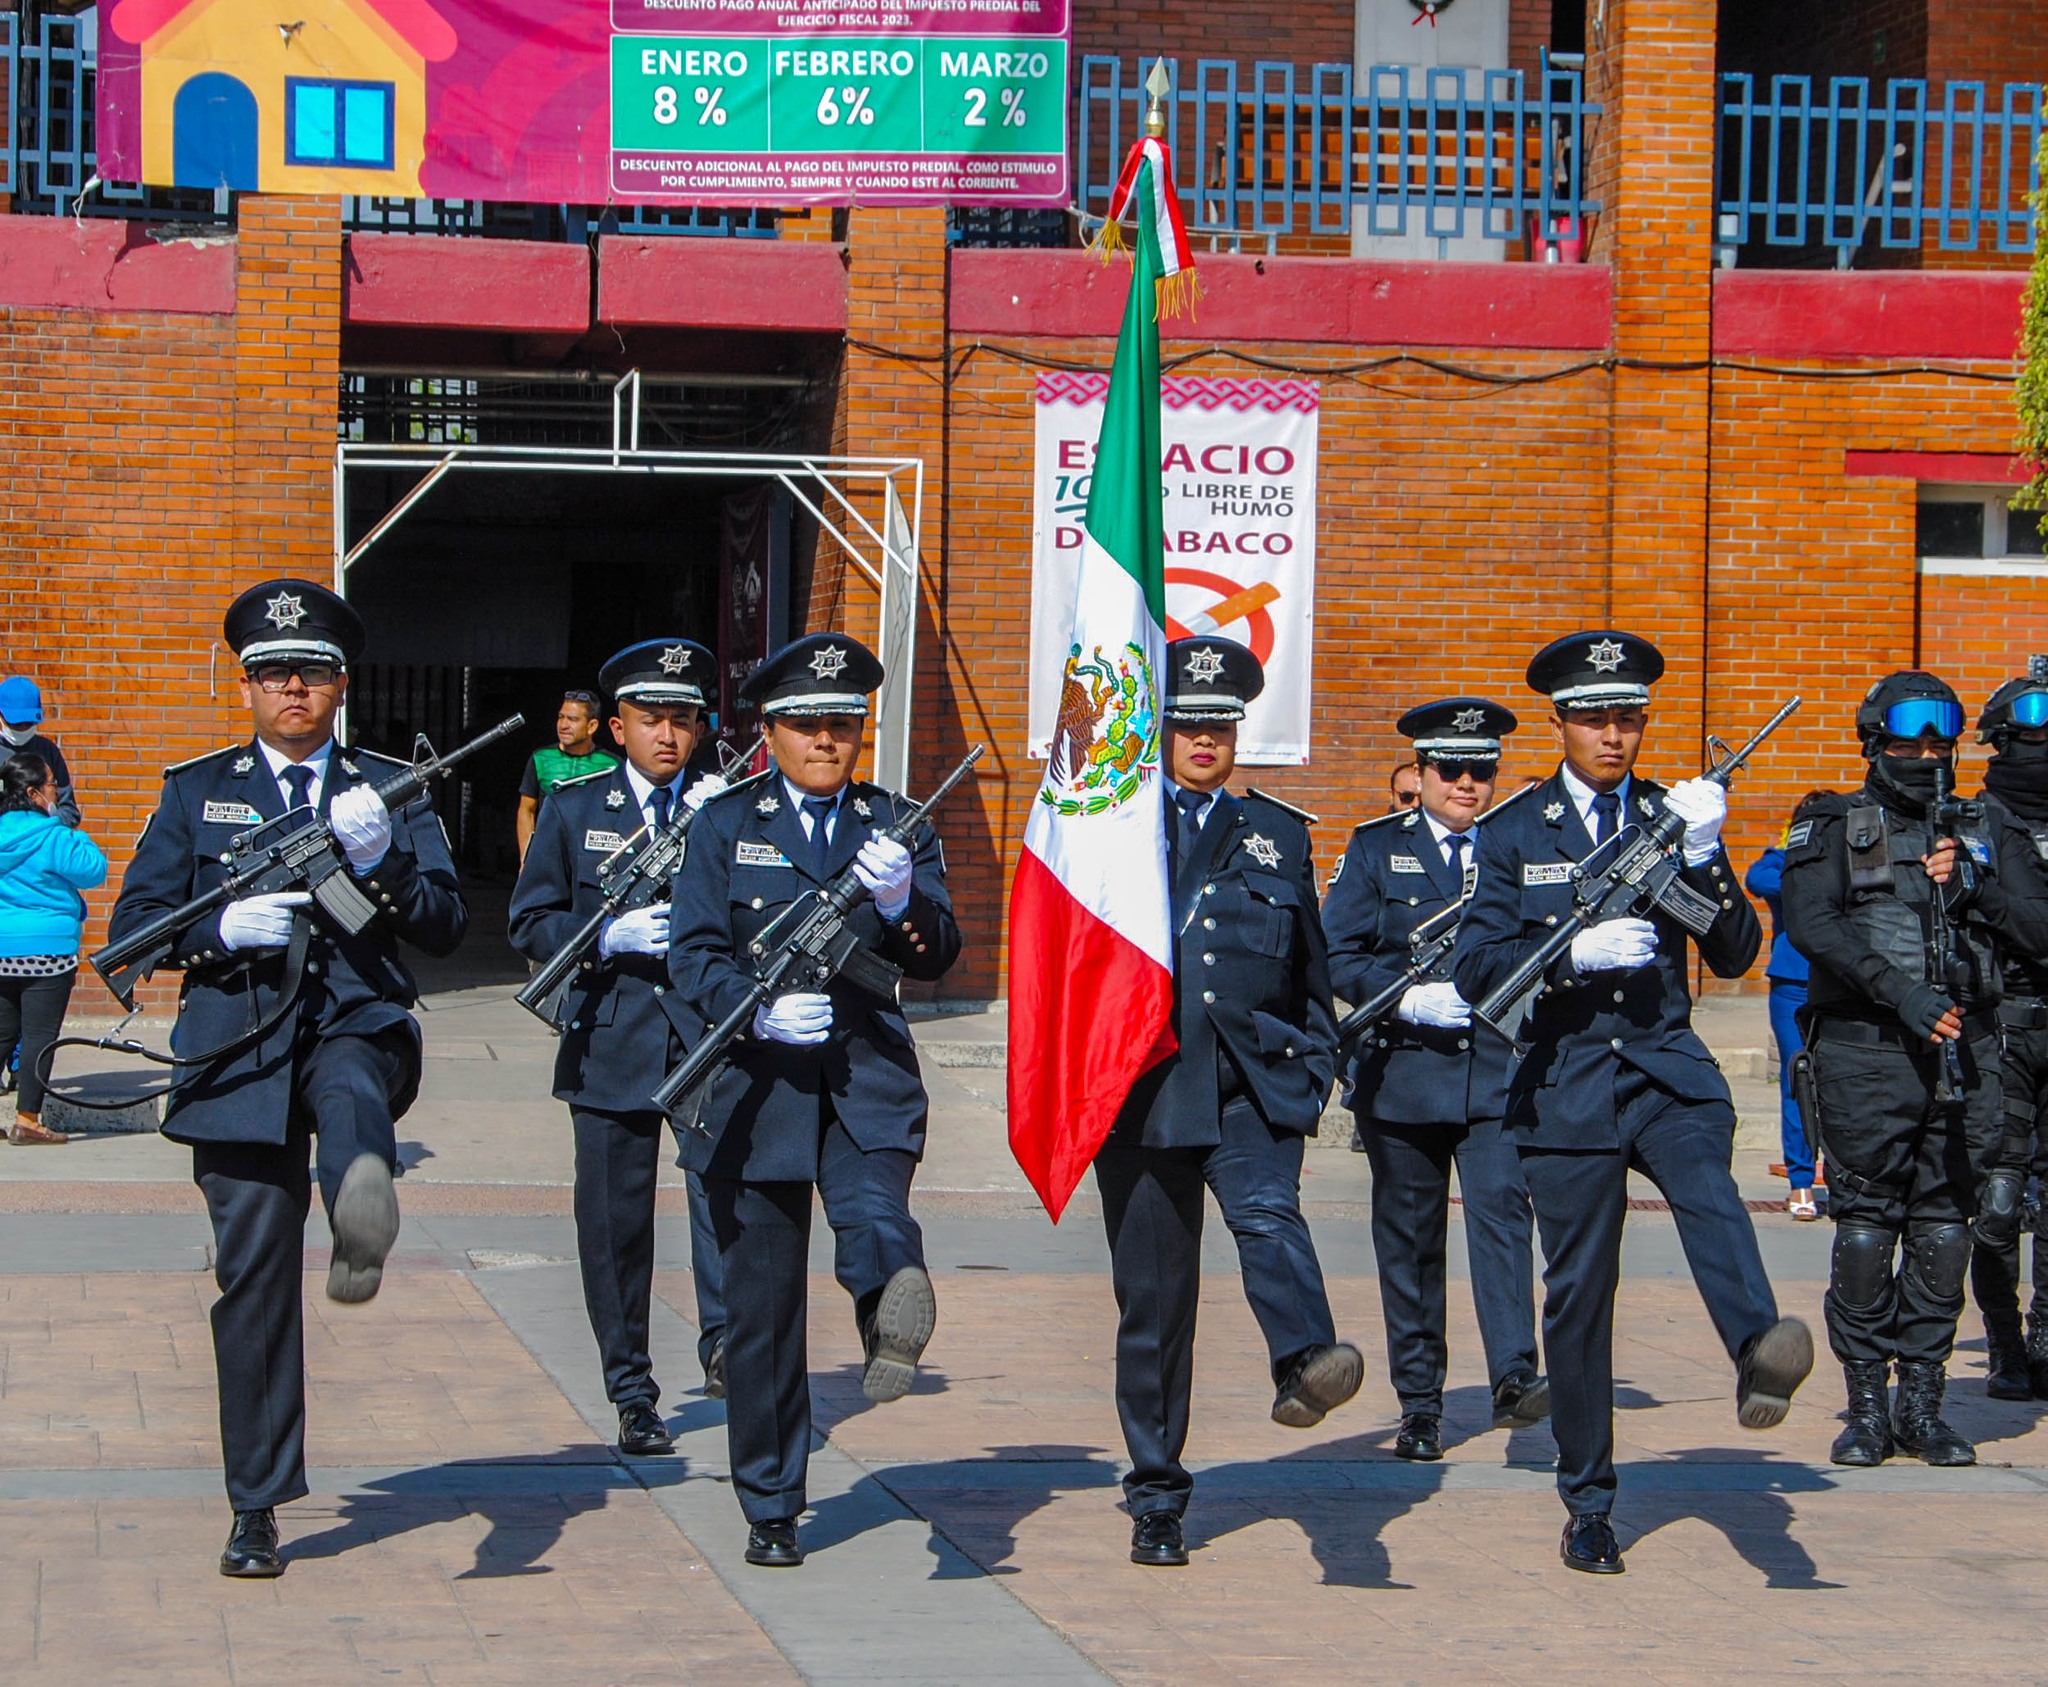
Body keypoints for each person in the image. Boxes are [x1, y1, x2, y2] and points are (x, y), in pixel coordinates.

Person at [106, 577, 468, 1578]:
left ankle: (362, 1196)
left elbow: (443, 925)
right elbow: (132, 930)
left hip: (352, 1019)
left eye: (311, 672)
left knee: (352, 1086)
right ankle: (255, 1501)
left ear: (342, 683)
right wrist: (216, 929)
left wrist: (384, 857)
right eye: (273, 673)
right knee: (252, 1277)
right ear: (248, 686)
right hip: (237, 1049)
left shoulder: (388, 785)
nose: (293, 688)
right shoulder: (195, 789)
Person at [1451, 630, 1812, 1576]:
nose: (1614, 735)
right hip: (1566, 1083)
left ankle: (1757, 1346)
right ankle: (1590, 1497)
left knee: (1708, 1186)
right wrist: (1571, 955)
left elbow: (1734, 952)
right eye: (1595, 717)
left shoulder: (1671, 814)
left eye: (1629, 718)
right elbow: (1480, 966)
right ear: (1562, 722)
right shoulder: (1514, 830)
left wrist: (1703, 856)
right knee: (1578, 1299)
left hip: (1663, 1069)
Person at [667, 632, 961, 1569]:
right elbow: (692, 956)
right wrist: (753, 1014)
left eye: (843, 724)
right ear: (771, 731)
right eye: (807, 725)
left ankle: (890, 1309)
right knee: (762, 1312)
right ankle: (770, 1498)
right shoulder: (723, 823)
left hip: (865, 1072)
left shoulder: (898, 823)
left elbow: (939, 950)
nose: (828, 741)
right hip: (755, 1088)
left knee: (876, 1207)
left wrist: (907, 899)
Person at [1091, 636, 1359, 1570]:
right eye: (1187, 722)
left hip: (1250, 1081)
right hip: (1146, 1089)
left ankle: (1305, 1356)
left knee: (1267, 1215)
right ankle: (1157, 1491)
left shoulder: (1277, 831)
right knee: (1156, 1306)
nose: (1205, 738)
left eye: (1221, 723)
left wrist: (1315, 1068)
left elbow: (1309, 966)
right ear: (1156, 727)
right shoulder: (1109, 821)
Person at [1782, 671, 2048, 1468]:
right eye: (1909, 742)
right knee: (1867, 1224)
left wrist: (1980, 891)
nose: (1927, 756)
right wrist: (1899, 992)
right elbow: (1812, 922)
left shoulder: (1986, 826)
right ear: (1875, 743)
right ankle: (1866, 1403)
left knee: (1944, 1228)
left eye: (1940, 742)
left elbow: (2039, 928)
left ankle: (1922, 1403)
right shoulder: (1832, 821)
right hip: (1867, 1053)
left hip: (1970, 1052)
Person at [508, 641, 733, 1457]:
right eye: (650, 719)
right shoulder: (574, 808)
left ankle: (727, 1350)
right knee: (616, 1226)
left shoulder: (728, 809)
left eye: (682, 719)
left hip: (710, 1035)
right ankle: (632, 1389)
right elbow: (528, 922)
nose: (667, 735)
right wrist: (604, 934)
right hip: (611, 1036)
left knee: (728, 1201)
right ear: (617, 725)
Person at [1323, 697, 1546, 1462]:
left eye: (1481, 769)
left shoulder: (1520, 846)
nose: (1467, 784)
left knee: (1503, 1223)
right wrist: (1404, 993)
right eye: (1451, 769)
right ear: (1419, 773)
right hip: (1406, 1075)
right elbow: (1334, 952)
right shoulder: (1377, 848)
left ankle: (1516, 1374)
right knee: (1411, 1243)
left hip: (1496, 1071)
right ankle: (1420, 1402)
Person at [1968, 666, 2048, 1399]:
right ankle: (2002, 1339)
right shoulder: (1973, 824)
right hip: (2001, 1027)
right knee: (1996, 1201)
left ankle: (2045, 1338)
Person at [0, 753, 106, 1144]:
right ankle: (28, 1120)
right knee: (39, 1036)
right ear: (32, 793)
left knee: (1, 1033)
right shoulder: (55, 836)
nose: (57, 791)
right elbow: (93, 870)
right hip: (48, 951)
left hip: (1, 947)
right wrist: (73, 832)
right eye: (50, 785)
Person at [1745, 792, 1835, 1220]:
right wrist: (1797, 855)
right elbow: (1756, 879)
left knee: (1843, 1080)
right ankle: (1801, 1182)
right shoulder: (1780, 862)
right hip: (1793, 984)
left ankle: (1841, 1174)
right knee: (1797, 1077)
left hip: (1841, 982)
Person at [516, 689, 618, 863]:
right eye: (561, 717)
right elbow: (526, 810)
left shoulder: (612, 765)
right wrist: (526, 860)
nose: (563, 725)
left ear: (591, 726)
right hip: (548, 854)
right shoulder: (540, 758)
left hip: (591, 857)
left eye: (572, 719)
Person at [0, 676, 81, 829]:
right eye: (17, 724)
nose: (24, 729)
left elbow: (69, 811)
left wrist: (41, 827)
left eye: (29, 723)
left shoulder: (48, 752)